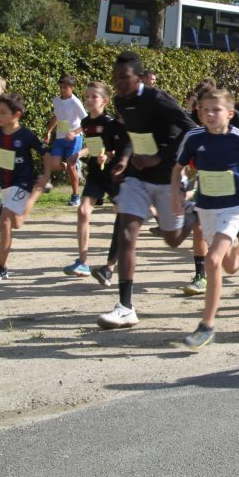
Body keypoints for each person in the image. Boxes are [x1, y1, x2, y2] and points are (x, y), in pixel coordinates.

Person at [95, 51, 199, 329]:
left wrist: (159, 157)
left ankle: (195, 212)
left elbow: (192, 131)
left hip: (167, 178)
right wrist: (125, 160)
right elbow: (134, 135)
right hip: (137, 178)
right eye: (115, 77)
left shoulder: (157, 99)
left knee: (173, 239)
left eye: (124, 77)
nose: (117, 83)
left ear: (139, 77)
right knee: (127, 231)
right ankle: (126, 307)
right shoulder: (120, 100)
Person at [173, 88, 239, 349]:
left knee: (212, 260)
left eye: (215, 110)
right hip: (206, 208)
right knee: (230, 266)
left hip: (234, 208)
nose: (209, 114)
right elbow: (177, 168)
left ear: (230, 114)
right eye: (204, 109)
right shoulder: (193, 137)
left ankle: (206, 325)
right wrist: (177, 195)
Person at [0, 94, 50, 280]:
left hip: (23, 182)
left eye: (3, 113)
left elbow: (45, 152)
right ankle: (38, 192)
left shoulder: (26, 134)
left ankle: (1, 267)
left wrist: (46, 174)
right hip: (5, 183)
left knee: (4, 219)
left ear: (16, 115)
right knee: (17, 223)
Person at [63, 82, 125, 281]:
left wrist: (107, 156)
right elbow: (93, 145)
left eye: (93, 97)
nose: (89, 100)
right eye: (87, 96)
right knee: (83, 210)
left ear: (104, 101)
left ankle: (116, 260)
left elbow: (117, 148)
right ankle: (83, 262)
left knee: (123, 217)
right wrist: (78, 154)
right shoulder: (87, 122)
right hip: (96, 175)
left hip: (114, 174)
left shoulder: (111, 123)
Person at [43, 75, 88, 206]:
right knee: (54, 164)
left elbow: (86, 122)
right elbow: (56, 116)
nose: (62, 90)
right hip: (60, 138)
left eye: (65, 87)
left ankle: (75, 196)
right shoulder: (56, 100)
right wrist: (49, 131)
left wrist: (74, 132)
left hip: (74, 139)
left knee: (71, 166)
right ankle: (73, 165)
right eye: (61, 87)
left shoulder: (75, 102)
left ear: (72, 88)